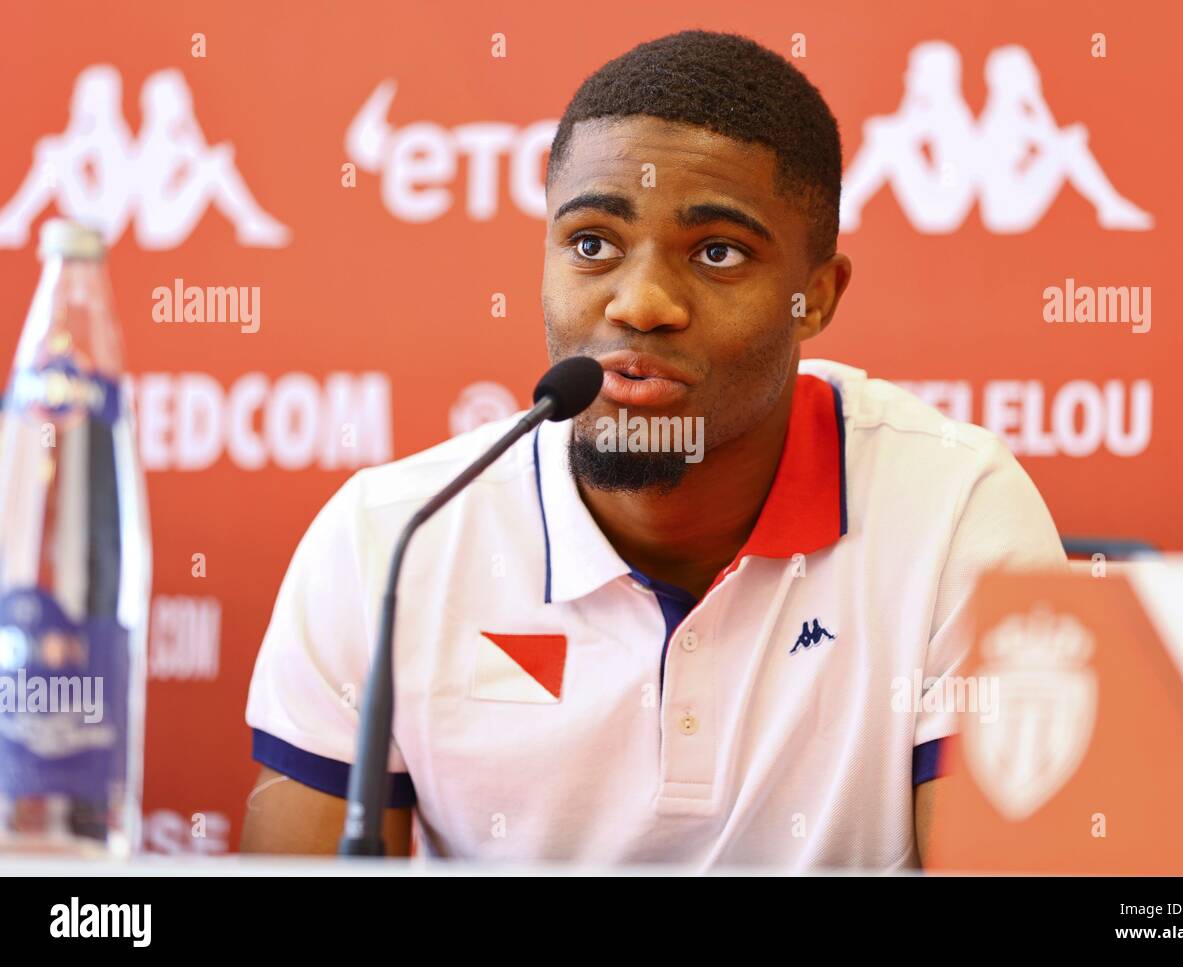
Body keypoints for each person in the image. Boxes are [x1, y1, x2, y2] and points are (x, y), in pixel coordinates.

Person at [241, 30, 1066, 871]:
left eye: (718, 253)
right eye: (593, 243)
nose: (639, 304)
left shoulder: (957, 511)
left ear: (814, 298)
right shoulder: (395, 536)